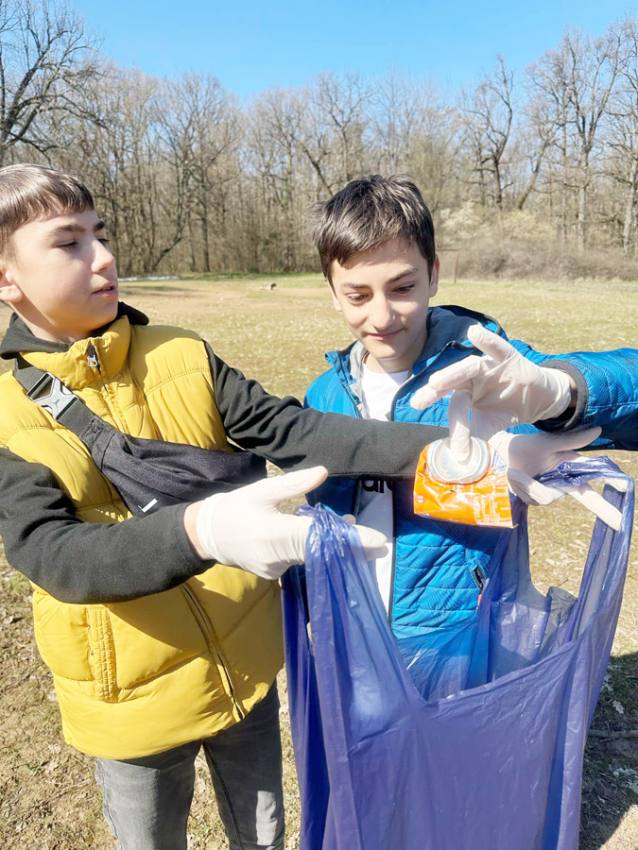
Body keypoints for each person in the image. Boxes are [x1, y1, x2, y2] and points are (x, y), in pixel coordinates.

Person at [0, 163, 470, 850]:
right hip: (130, 704)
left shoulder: (182, 352)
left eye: (100, 233)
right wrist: (203, 529)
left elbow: (296, 430)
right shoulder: (6, 414)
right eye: (69, 243)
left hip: (245, 670)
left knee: (263, 835)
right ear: (6, 277)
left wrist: (452, 453)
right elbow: (54, 556)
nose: (103, 257)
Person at [305, 174, 621, 659]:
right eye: (358, 296)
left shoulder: (486, 367)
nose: (382, 317)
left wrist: (560, 394)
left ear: (433, 274)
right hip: (357, 632)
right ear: (331, 290)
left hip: (460, 634)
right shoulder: (324, 394)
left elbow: (614, 400)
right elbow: (326, 514)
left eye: (403, 287)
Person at [411, 323, 638, 453]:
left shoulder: (499, 366)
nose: (390, 317)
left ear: (433, 274)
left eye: (404, 288)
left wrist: (566, 392)